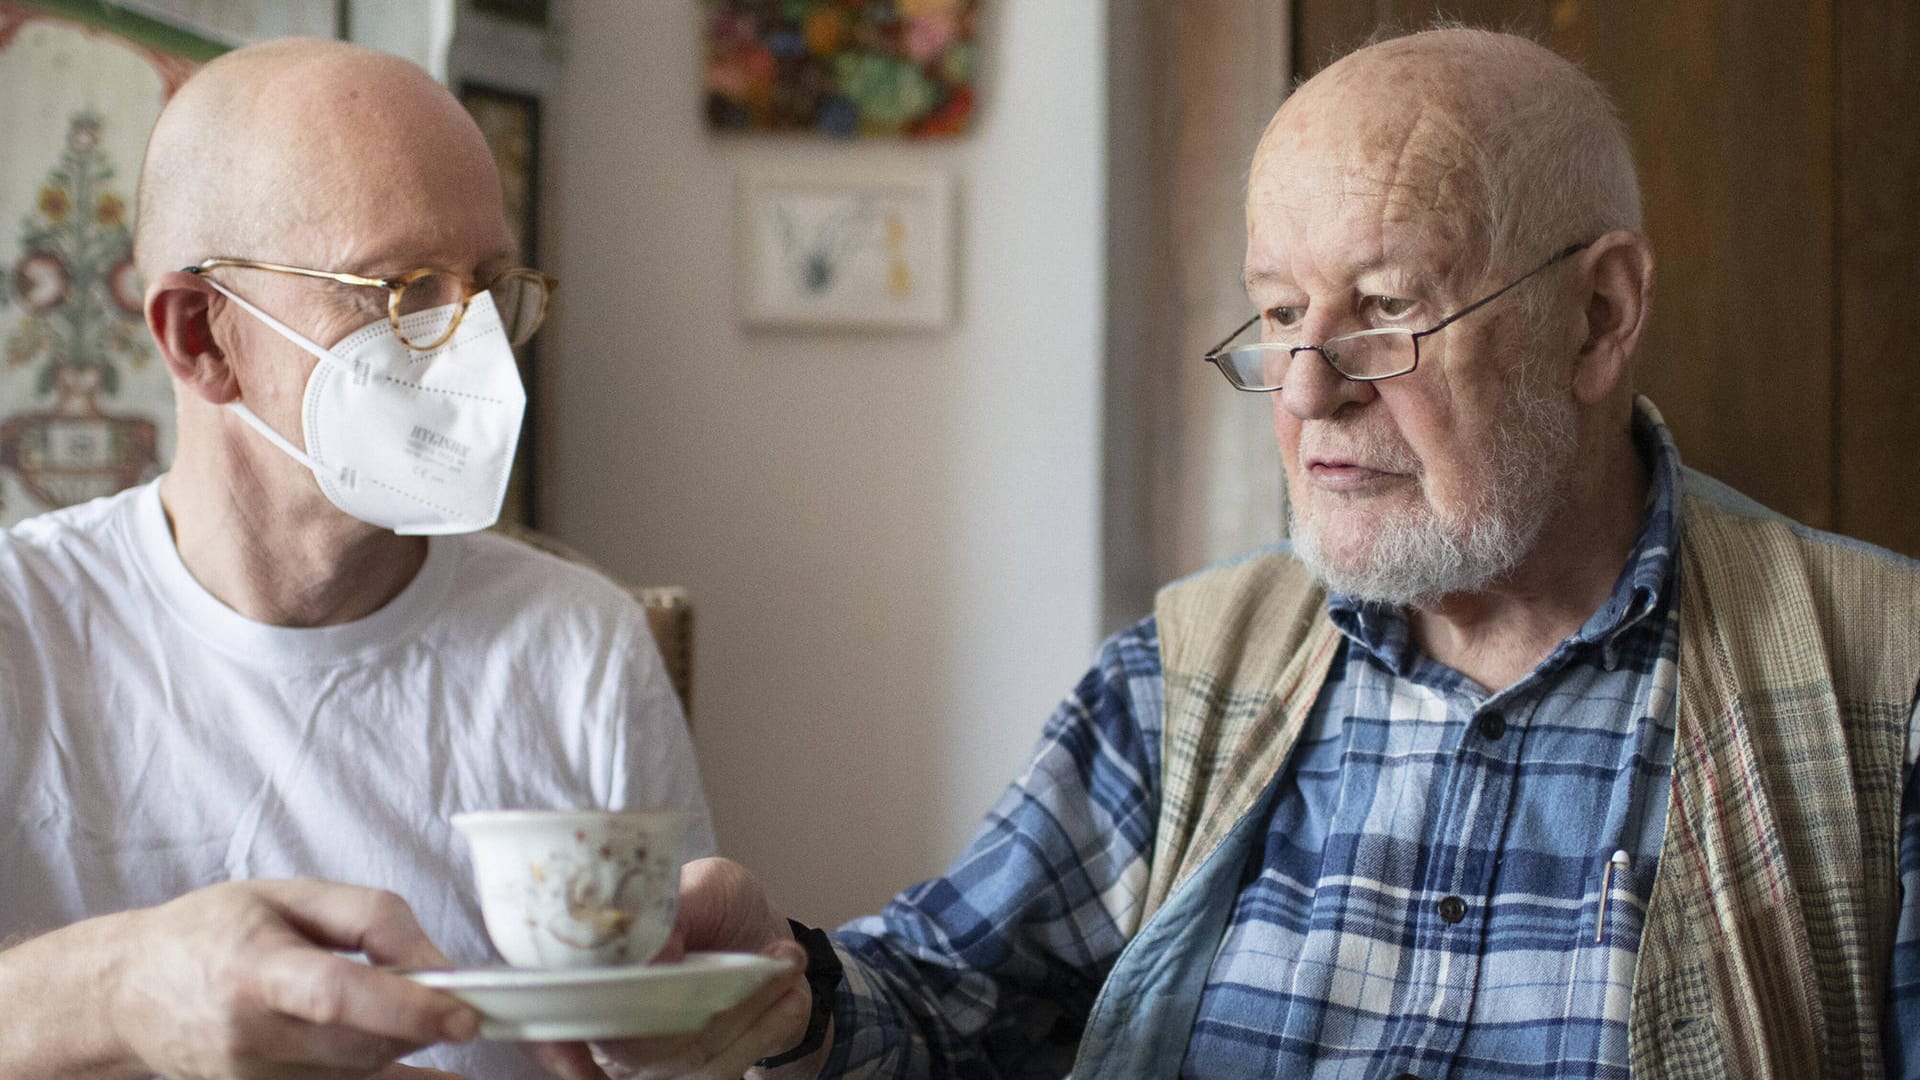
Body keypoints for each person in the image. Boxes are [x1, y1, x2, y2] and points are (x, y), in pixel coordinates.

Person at [597, 27, 1920, 1079]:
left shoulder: (1883, 683)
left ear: (1597, 317)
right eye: (1281, 315)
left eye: (1387, 311)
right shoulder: (1187, 676)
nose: (1305, 393)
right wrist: (781, 990)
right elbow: (952, 994)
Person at [0, 39, 727, 1080]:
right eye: (401, 290)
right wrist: (121, 986)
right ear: (202, 336)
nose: (475, 350)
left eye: (491, 286)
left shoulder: (579, 647)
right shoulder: (21, 629)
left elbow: (675, 1052)